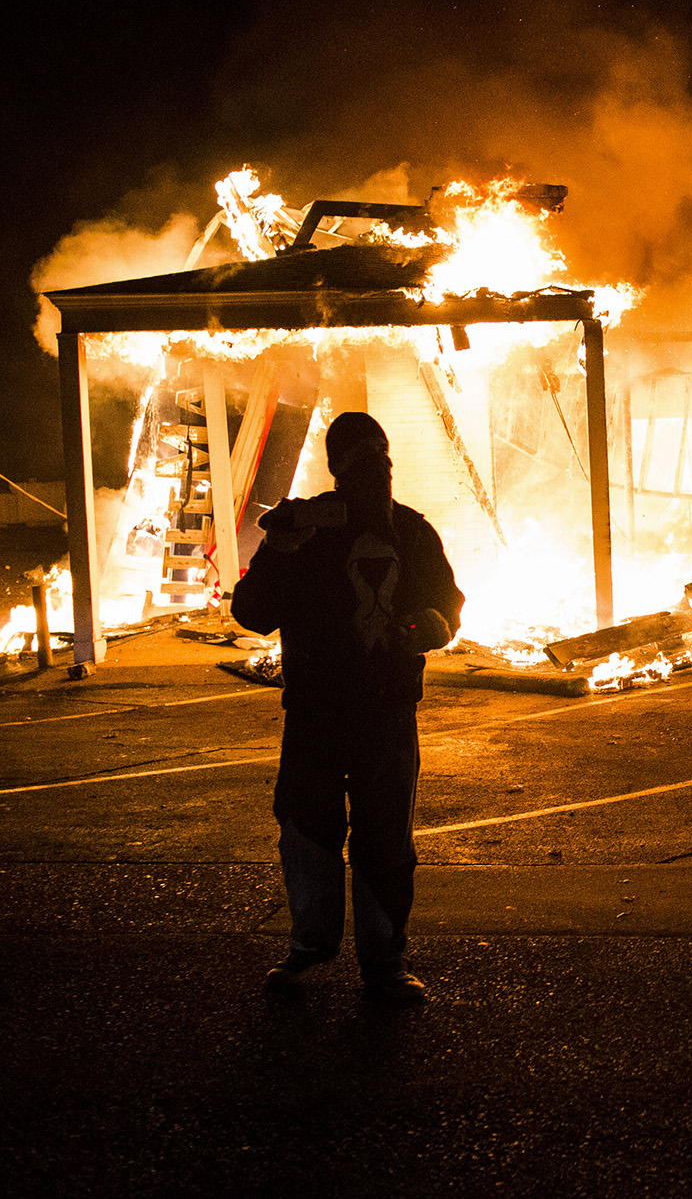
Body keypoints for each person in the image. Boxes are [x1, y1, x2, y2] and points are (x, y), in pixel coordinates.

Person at [232, 411, 463, 1003]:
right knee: (307, 830)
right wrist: (281, 544)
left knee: (386, 837)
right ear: (339, 472)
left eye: (382, 468)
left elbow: (445, 604)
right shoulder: (306, 533)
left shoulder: (411, 533)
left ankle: (384, 962)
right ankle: (309, 949)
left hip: (387, 711)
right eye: (363, 469)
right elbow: (252, 612)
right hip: (316, 710)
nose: (376, 481)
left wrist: (433, 626)